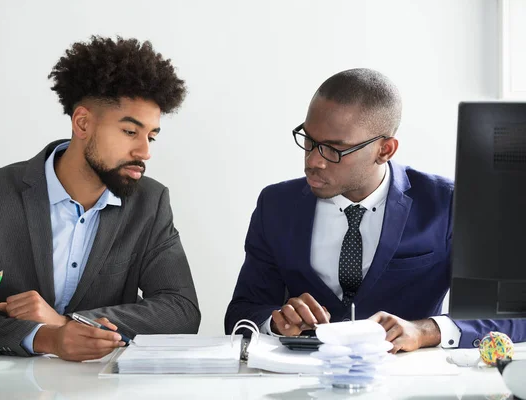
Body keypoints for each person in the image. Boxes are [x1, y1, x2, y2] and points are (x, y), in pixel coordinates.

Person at [0, 36, 200, 361]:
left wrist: (69, 324)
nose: (145, 152)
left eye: (151, 136)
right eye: (130, 132)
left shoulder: (150, 203)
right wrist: (47, 339)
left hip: (99, 389)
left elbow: (181, 309)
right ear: (82, 123)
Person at [225, 68, 526, 352]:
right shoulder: (276, 204)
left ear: (385, 150)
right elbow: (241, 314)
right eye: (309, 140)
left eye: (334, 149)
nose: (313, 161)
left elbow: (515, 317)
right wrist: (276, 323)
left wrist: (426, 331)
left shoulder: (448, 202)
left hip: (414, 384)